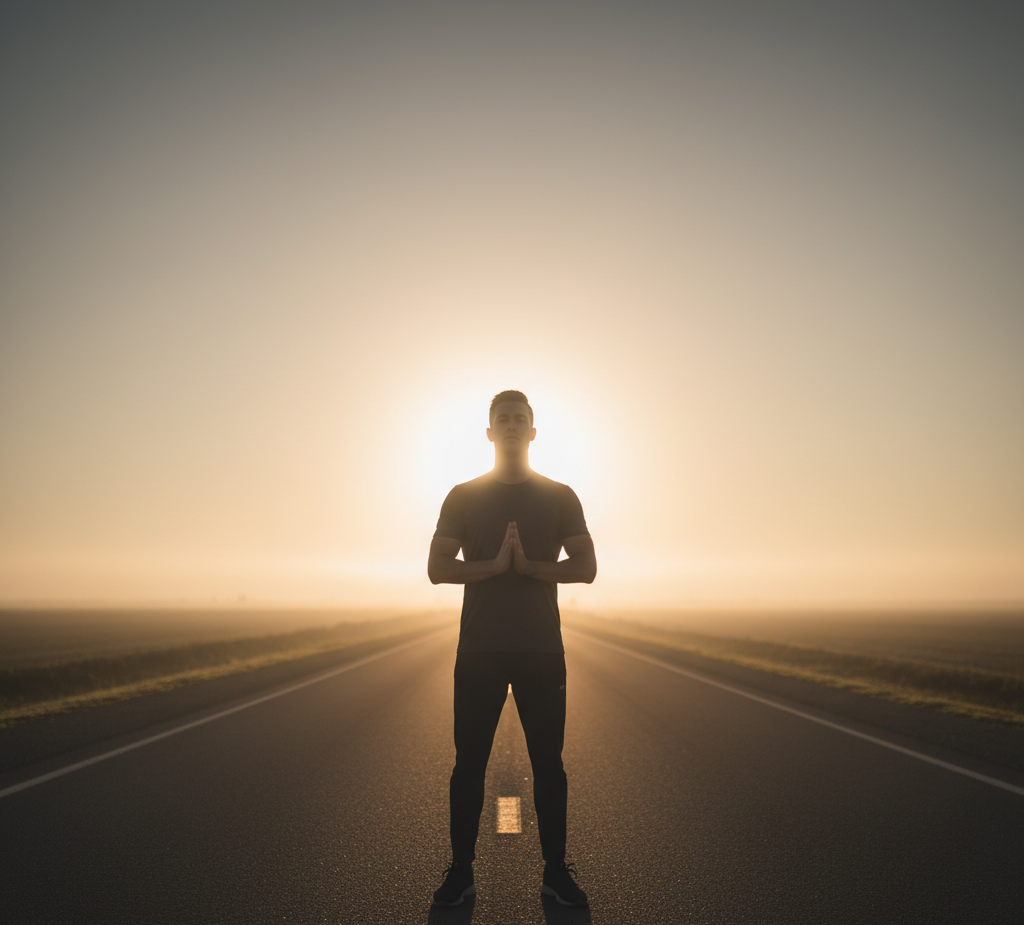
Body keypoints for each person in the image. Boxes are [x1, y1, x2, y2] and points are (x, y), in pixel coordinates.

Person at [427, 390, 597, 908]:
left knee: (550, 765)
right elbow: (437, 569)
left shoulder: (561, 496)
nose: (511, 426)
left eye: (520, 419)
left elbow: (586, 568)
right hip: (479, 651)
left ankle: (555, 872)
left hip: (542, 652)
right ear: (487, 432)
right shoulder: (462, 496)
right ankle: (461, 872)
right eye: (502, 419)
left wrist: (532, 569)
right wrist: (494, 567)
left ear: (533, 431)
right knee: (469, 765)